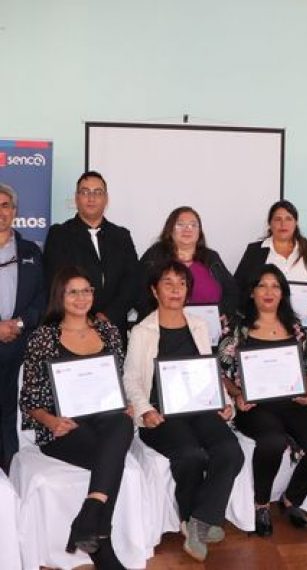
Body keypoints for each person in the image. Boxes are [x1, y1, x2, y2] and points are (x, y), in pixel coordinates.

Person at [123, 260, 243, 562]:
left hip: (198, 408)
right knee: (190, 455)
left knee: (230, 449)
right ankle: (198, 518)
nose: (176, 290)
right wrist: (145, 410)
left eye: (181, 284)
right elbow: (131, 378)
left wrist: (224, 404)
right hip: (161, 414)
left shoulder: (200, 326)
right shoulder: (142, 331)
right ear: (155, 290)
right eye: (168, 283)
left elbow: (209, 371)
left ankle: (198, 521)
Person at [19, 266, 133, 569]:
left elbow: (116, 382)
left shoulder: (108, 331)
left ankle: (89, 516)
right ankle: (100, 540)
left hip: (105, 419)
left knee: (123, 422)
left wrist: (124, 403)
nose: (81, 297)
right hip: (63, 427)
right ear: (60, 296)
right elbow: (28, 399)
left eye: (87, 291)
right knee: (110, 455)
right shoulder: (43, 337)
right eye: (73, 291)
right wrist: (51, 421)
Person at [218, 264, 307, 537]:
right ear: (252, 292)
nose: (269, 291)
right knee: (272, 441)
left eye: (275, 286)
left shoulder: (295, 328)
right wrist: (237, 395)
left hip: (292, 401)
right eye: (262, 285)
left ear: (283, 293)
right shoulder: (238, 329)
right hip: (254, 406)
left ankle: (292, 500)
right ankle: (261, 505)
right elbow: (221, 372)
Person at [43, 171, 139, 345]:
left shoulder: (121, 236)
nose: (91, 198)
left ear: (106, 199)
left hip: (114, 327)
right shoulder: (59, 235)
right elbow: (55, 282)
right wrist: (84, 317)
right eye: (85, 192)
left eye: (97, 192)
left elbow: (132, 282)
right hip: (71, 329)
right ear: (76, 198)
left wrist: (109, 315)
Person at [234, 200, 307, 344]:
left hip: (304, 331)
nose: (283, 224)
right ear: (270, 223)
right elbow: (239, 286)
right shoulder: (255, 251)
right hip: (261, 330)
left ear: (296, 222)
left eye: (288, 219)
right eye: (277, 219)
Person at [0, 183, 44, 472]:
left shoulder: (31, 250)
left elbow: (42, 297)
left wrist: (18, 323)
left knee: (9, 413)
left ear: (14, 212)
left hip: (19, 345)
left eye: (5, 205)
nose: (0, 212)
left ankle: (9, 470)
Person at [137, 206, 238, 322]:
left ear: (199, 232)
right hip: (162, 329)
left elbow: (232, 292)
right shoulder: (154, 256)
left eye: (193, 225)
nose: (187, 229)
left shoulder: (211, 257)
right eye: (180, 225)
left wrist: (225, 313)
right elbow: (138, 293)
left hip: (208, 330)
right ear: (170, 230)